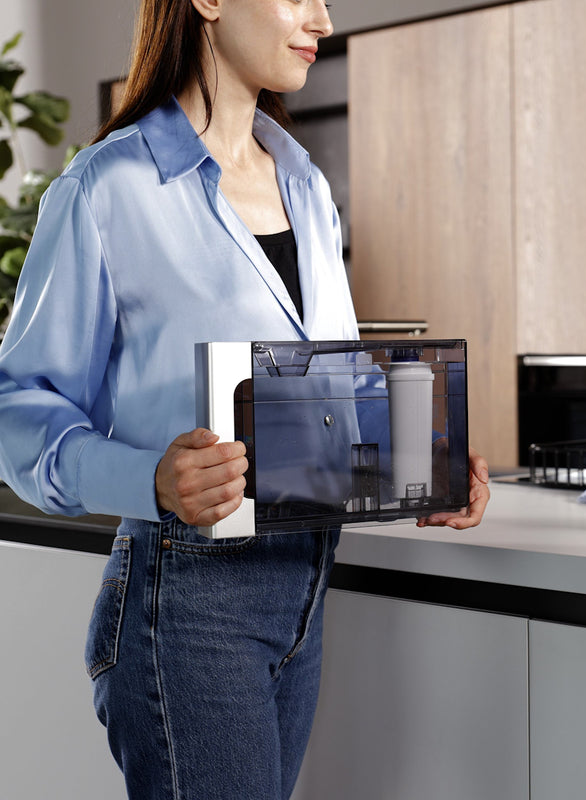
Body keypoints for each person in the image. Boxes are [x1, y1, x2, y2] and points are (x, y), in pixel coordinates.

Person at [0, 0, 491, 797]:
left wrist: (416, 460)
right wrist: (150, 478)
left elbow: (323, 393)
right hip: (188, 604)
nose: (324, 20)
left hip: (304, 586)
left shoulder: (305, 185)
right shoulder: (106, 189)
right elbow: (19, 407)